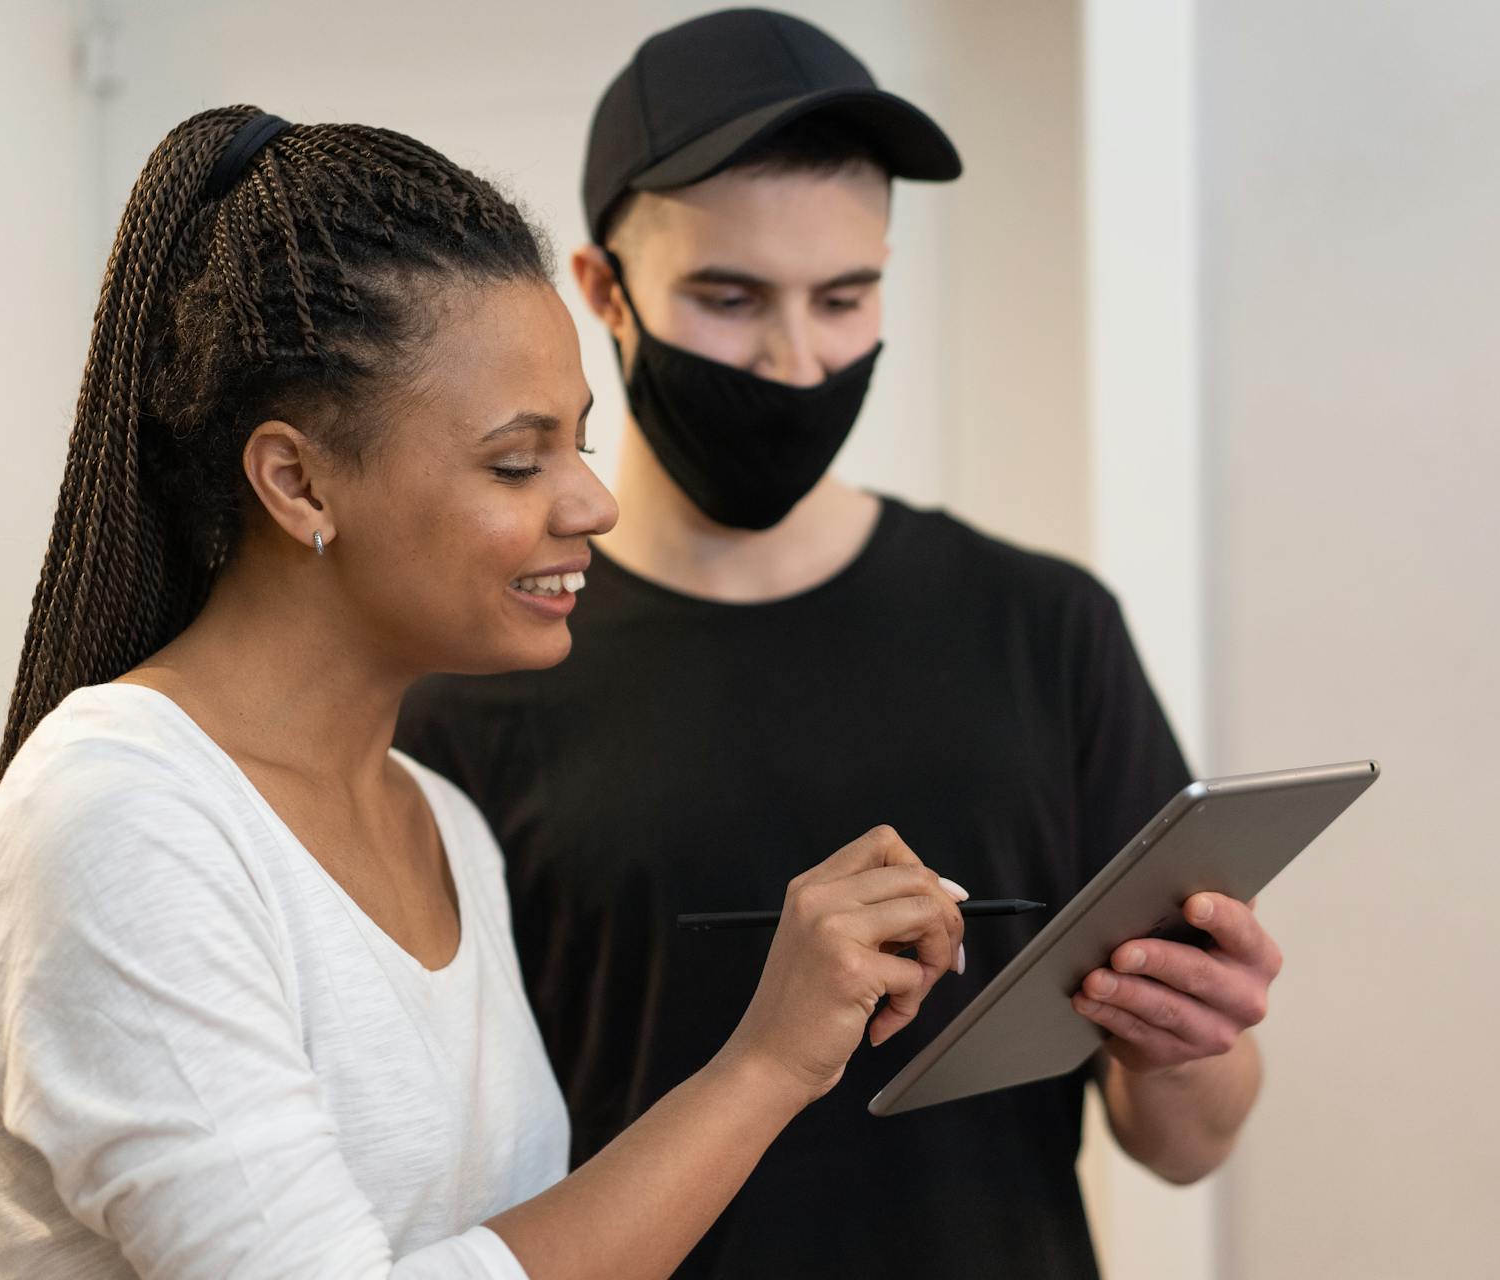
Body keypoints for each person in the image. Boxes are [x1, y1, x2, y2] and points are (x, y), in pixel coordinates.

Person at [0, 105, 968, 1280]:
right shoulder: (123, 819)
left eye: (578, 443)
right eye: (518, 462)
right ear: (297, 479)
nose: (591, 504)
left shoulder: (445, 825)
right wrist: (765, 1067)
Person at [396, 11, 1284, 1278]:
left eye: (844, 297)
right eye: (728, 296)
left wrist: (1185, 1037)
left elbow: (1183, 1143)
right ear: (603, 292)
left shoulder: (1045, 629)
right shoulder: (473, 676)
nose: (797, 360)